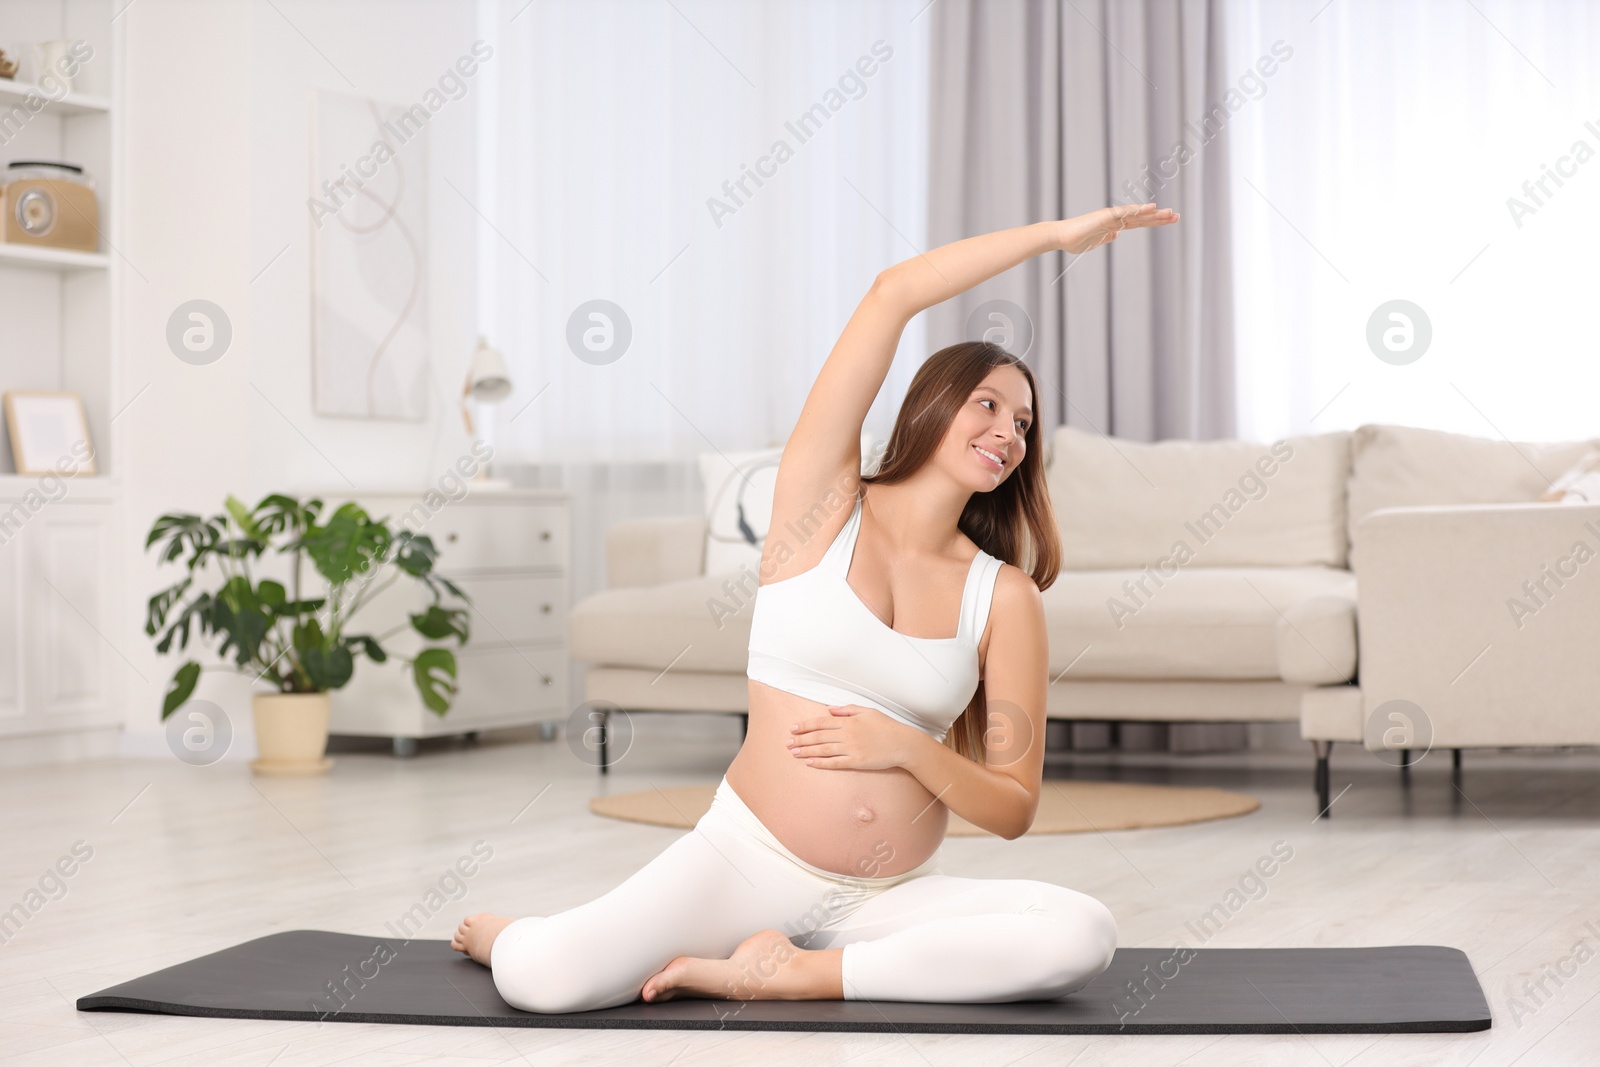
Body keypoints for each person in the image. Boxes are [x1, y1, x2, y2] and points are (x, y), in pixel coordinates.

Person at [452, 203, 1180, 1013]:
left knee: (1081, 931)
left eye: (1022, 422)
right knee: (544, 979)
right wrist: (1054, 237)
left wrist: (905, 746)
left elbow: (1013, 807)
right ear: (930, 405)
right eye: (987, 403)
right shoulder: (821, 508)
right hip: (743, 861)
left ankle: (797, 970)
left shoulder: (1003, 595)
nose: (1007, 432)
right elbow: (891, 293)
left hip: (884, 898)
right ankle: (515, 932)